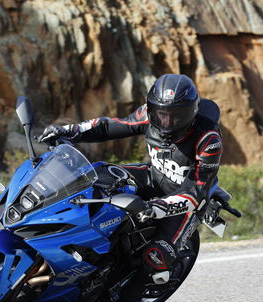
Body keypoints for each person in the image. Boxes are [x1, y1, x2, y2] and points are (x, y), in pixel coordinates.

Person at [36, 74, 222, 285]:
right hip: (154, 177)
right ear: (152, 109)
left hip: (185, 203)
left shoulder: (208, 139)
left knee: (155, 260)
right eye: (162, 115)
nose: (167, 123)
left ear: (192, 113)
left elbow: (196, 191)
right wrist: (69, 131)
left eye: (177, 116)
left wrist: (157, 207)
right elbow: (108, 126)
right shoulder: (147, 115)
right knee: (97, 176)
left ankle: (131, 290)